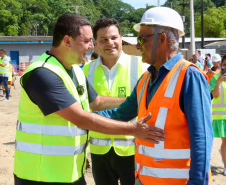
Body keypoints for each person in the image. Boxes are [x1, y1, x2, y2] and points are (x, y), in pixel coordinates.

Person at [13, 13, 165, 185]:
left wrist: (138, 99)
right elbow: (81, 118)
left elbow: (97, 102)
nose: (92, 46)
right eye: (87, 41)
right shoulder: (42, 73)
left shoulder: (76, 71)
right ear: (67, 41)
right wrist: (133, 129)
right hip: (40, 176)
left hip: (71, 172)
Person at [93, 7, 213, 185]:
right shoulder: (146, 79)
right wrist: (78, 117)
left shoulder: (189, 76)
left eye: (142, 38)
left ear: (162, 39)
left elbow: (201, 138)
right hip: (144, 179)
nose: (138, 45)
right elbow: (118, 115)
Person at [83, 18, 149, 185]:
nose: (110, 43)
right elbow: (83, 109)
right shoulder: (85, 71)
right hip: (99, 151)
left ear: (121, 38)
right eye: (103, 39)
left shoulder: (141, 67)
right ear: (95, 43)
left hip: (133, 150)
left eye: (113, 38)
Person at [210, 54, 226, 176]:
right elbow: (215, 95)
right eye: (225, 65)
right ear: (221, 65)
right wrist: (219, 81)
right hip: (221, 116)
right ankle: (225, 166)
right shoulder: (215, 78)